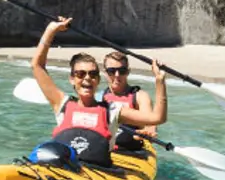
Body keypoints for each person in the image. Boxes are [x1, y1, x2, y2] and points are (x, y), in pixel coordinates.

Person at [29, 18, 167, 167]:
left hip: (98, 173)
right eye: (81, 74)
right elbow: (37, 66)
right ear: (72, 79)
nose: (87, 78)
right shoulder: (61, 103)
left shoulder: (112, 110)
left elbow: (157, 117)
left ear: (98, 79)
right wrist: (51, 30)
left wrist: (160, 82)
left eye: (93, 74)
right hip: (65, 167)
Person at [101, 50, 158, 149]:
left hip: (133, 151)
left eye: (122, 71)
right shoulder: (100, 96)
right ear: (105, 73)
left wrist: (148, 132)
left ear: (128, 72)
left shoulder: (140, 97)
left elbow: (150, 124)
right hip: (105, 149)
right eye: (112, 71)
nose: (117, 75)